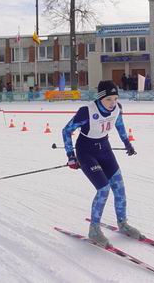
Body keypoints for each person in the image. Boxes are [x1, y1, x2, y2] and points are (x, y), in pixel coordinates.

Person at [62, 80, 144, 247]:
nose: (112, 103)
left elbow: (120, 126)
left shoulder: (117, 109)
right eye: (108, 99)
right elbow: (67, 130)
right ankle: (94, 229)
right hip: (86, 152)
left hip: (105, 150)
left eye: (115, 98)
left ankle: (123, 223)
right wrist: (71, 156)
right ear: (100, 98)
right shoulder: (86, 112)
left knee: (119, 188)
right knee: (103, 189)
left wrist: (127, 144)